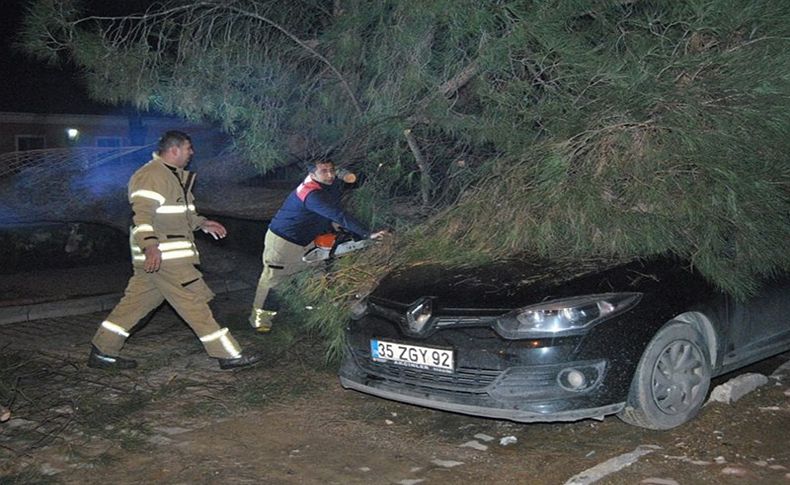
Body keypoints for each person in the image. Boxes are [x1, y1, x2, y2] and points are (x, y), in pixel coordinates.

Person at [88, 130, 261, 370]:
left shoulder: (173, 177)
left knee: (134, 305)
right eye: (189, 148)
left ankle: (102, 351)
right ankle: (229, 355)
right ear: (174, 150)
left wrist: (202, 223)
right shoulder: (151, 176)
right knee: (195, 304)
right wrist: (150, 246)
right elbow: (142, 217)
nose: (192, 152)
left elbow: (180, 215)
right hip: (165, 257)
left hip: (161, 260)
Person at [249, 159, 387, 332]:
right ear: (312, 174)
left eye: (331, 170)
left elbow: (333, 209)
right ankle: (261, 321)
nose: (329, 175)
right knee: (273, 281)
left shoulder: (329, 184)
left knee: (318, 274)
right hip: (284, 242)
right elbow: (338, 214)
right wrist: (367, 234)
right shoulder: (310, 193)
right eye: (324, 171)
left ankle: (318, 315)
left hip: (308, 239)